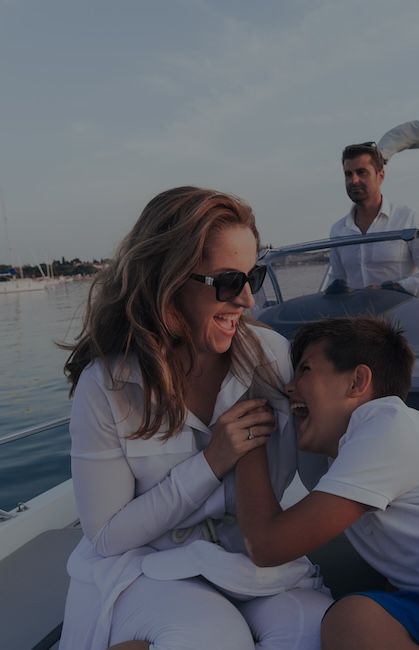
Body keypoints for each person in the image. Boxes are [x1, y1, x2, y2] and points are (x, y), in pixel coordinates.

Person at [58, 186, 332, 650]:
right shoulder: (106, 385)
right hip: (145, 567)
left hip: (245, 558)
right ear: (168, 281)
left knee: (313, 629)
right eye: (229, 282)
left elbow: (327, 465)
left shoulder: (271, 358)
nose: (246, 301)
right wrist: (212, 461)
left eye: (254, 276)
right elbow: (107, 535)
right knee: (210, 637)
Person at [234, 315, 419, 650]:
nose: (290, 387)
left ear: (357, 382)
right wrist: (232, 322)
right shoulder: (330, 459)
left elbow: (267, 545)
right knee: (353, 621)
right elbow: (265, 345)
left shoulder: (388, 426)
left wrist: (248, 426)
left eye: (305, 370)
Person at [327, 142, 419, 299]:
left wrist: (392, 289)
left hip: (400, 315)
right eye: (348, 174)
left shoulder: (409, 219)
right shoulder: (338, 230)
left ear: (380, 176)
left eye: (361, 172)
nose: (354, 180)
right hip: (355, 319)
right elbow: (337, 280)